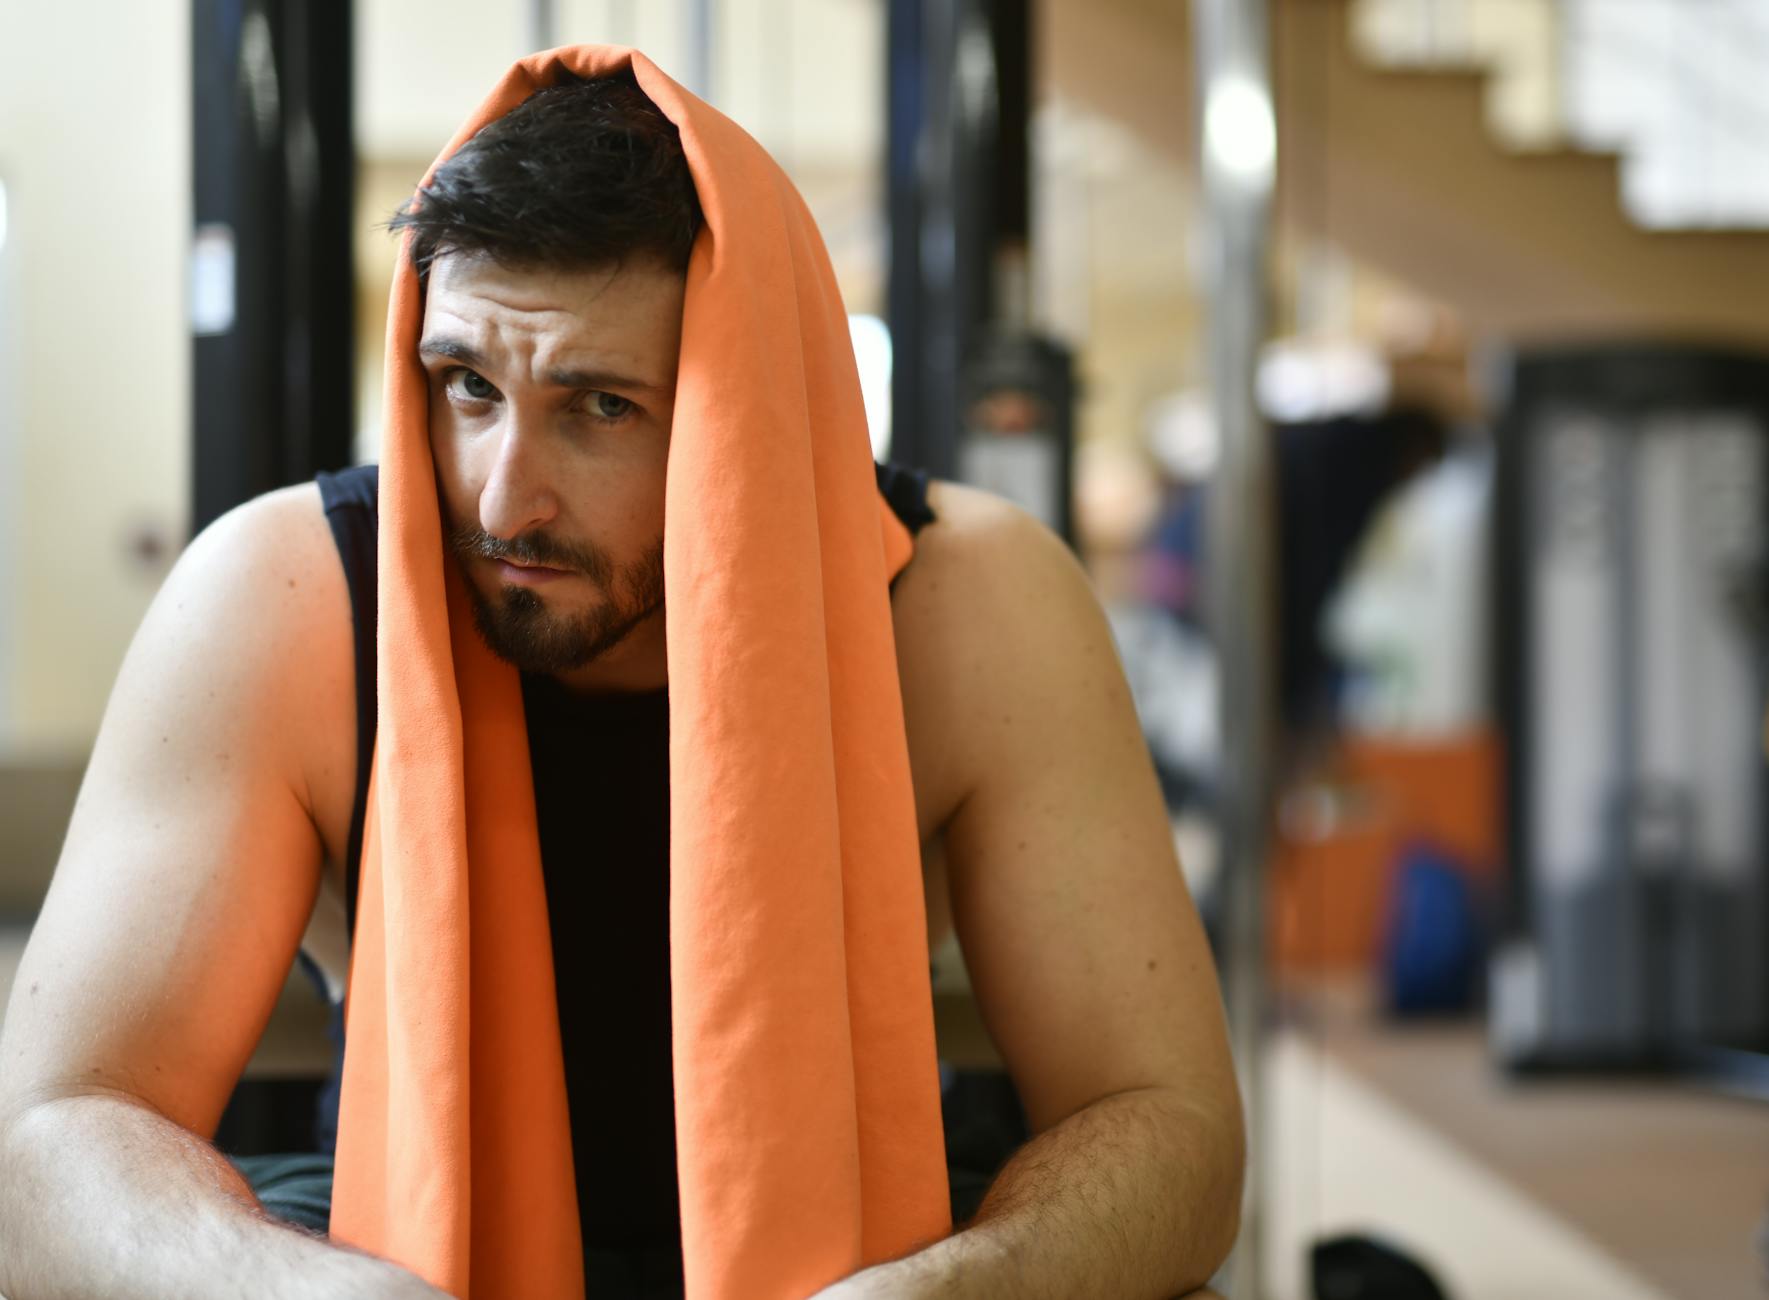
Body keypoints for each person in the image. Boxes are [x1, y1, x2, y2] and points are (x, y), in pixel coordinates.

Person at [0, 51, 1241, 1300]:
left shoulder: (963, 600)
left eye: (597, 406)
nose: (500, 495)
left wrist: (953, 1291)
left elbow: (1170, 1127)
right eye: (466, 386)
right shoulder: (285, 598)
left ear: (741, 413)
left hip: (867, 1242)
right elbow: (48, 1131)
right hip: (401, 1231)